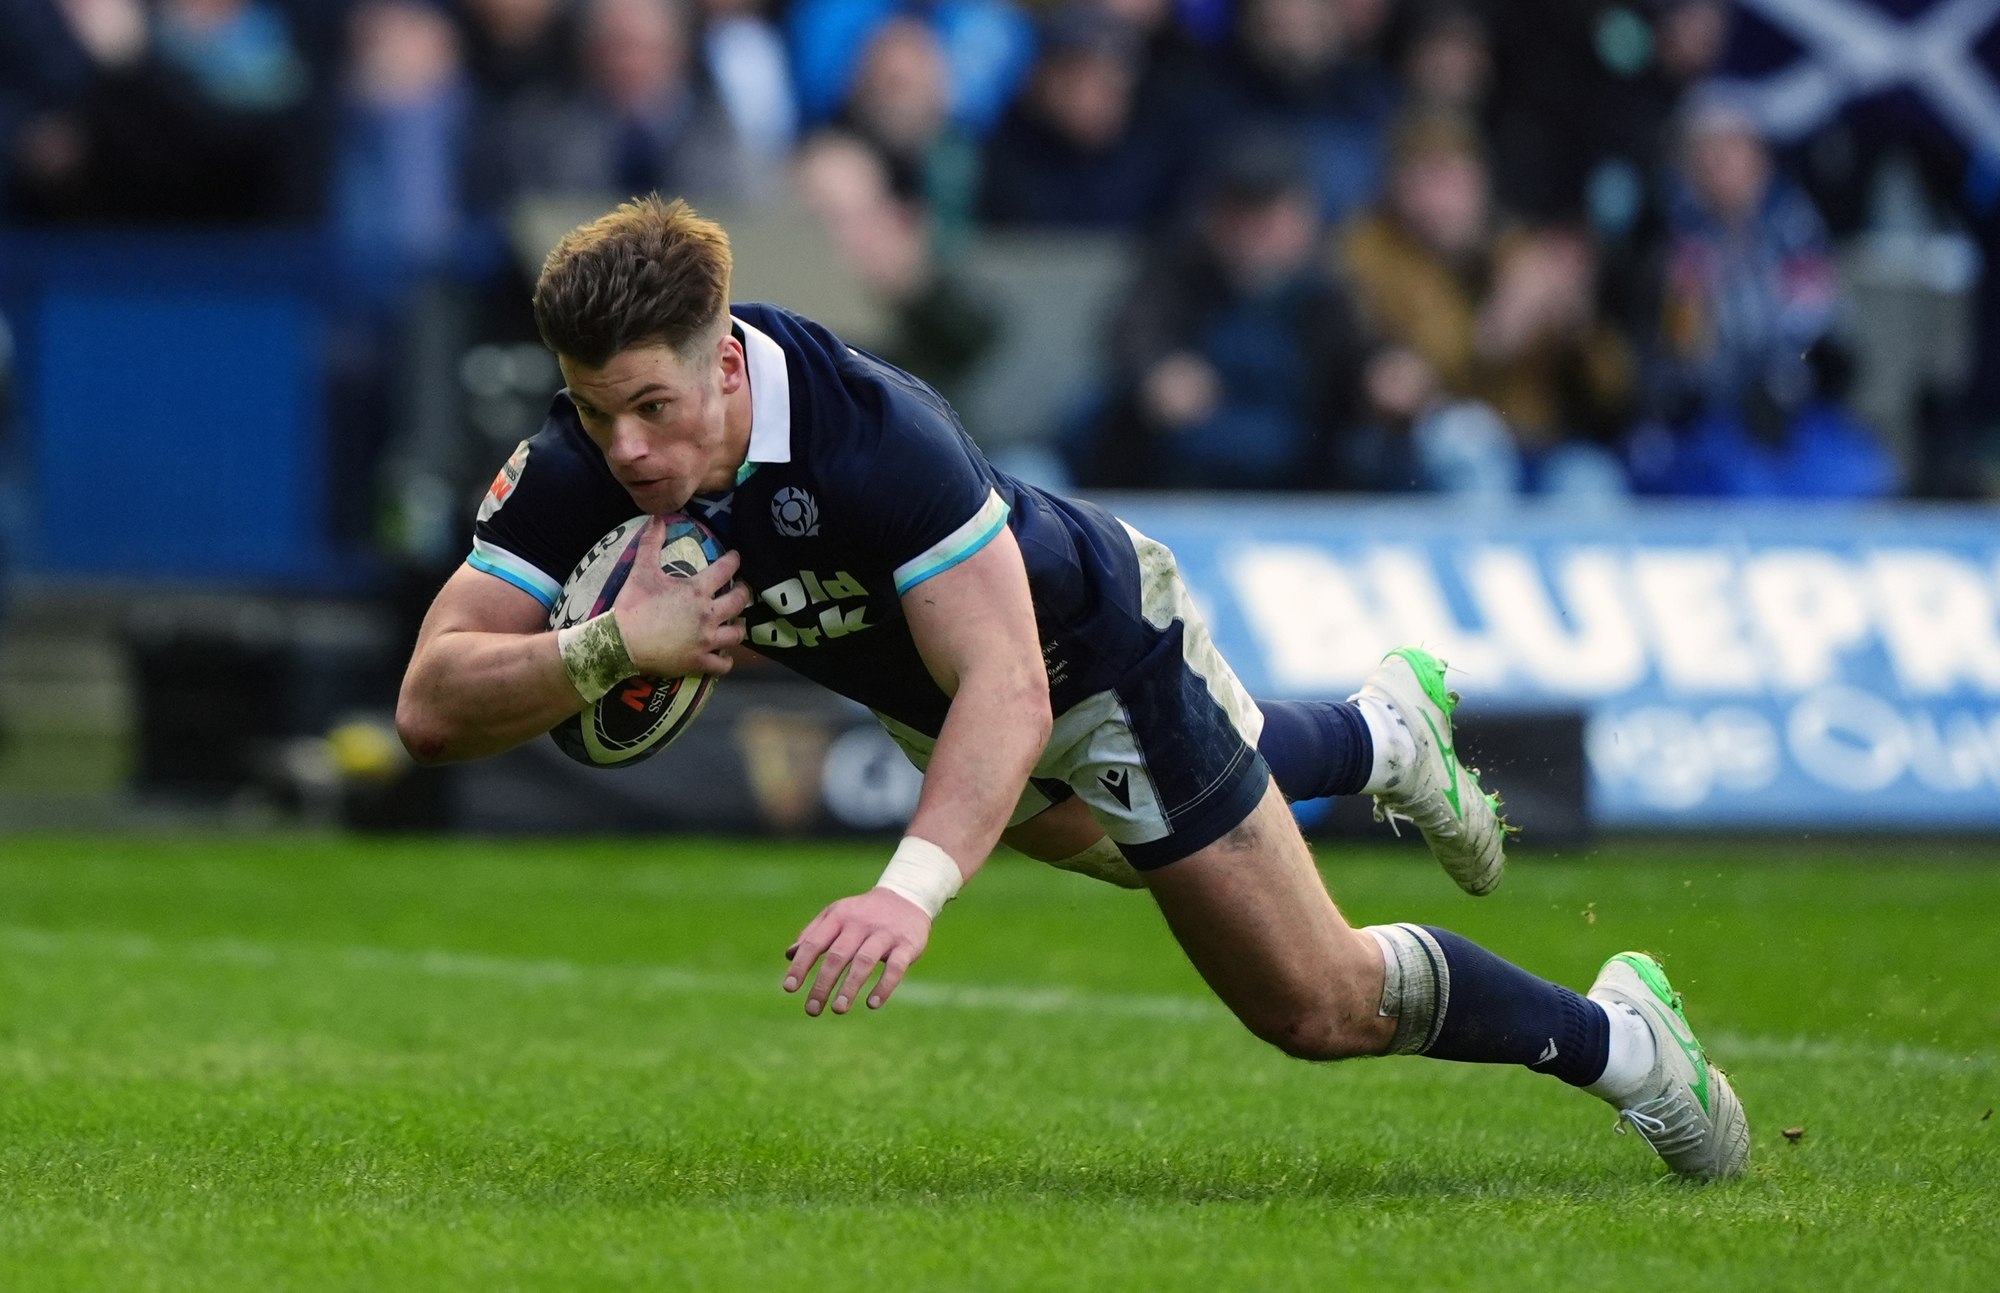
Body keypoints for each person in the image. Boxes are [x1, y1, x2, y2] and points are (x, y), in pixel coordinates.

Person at [395, 195, 1752, 1181]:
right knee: (1143, 837)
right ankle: (1377, 736)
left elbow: (1006, 686)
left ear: (730, 362)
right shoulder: (579, 456)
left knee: (1314, 1002)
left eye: (652, 407)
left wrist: (906, 889)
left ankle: (1625, 1041)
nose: (627, 449)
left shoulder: (875, 436)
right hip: (936, 696)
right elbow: (432, 707)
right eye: (596, 410)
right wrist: (613, 647)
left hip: (1091, 655)